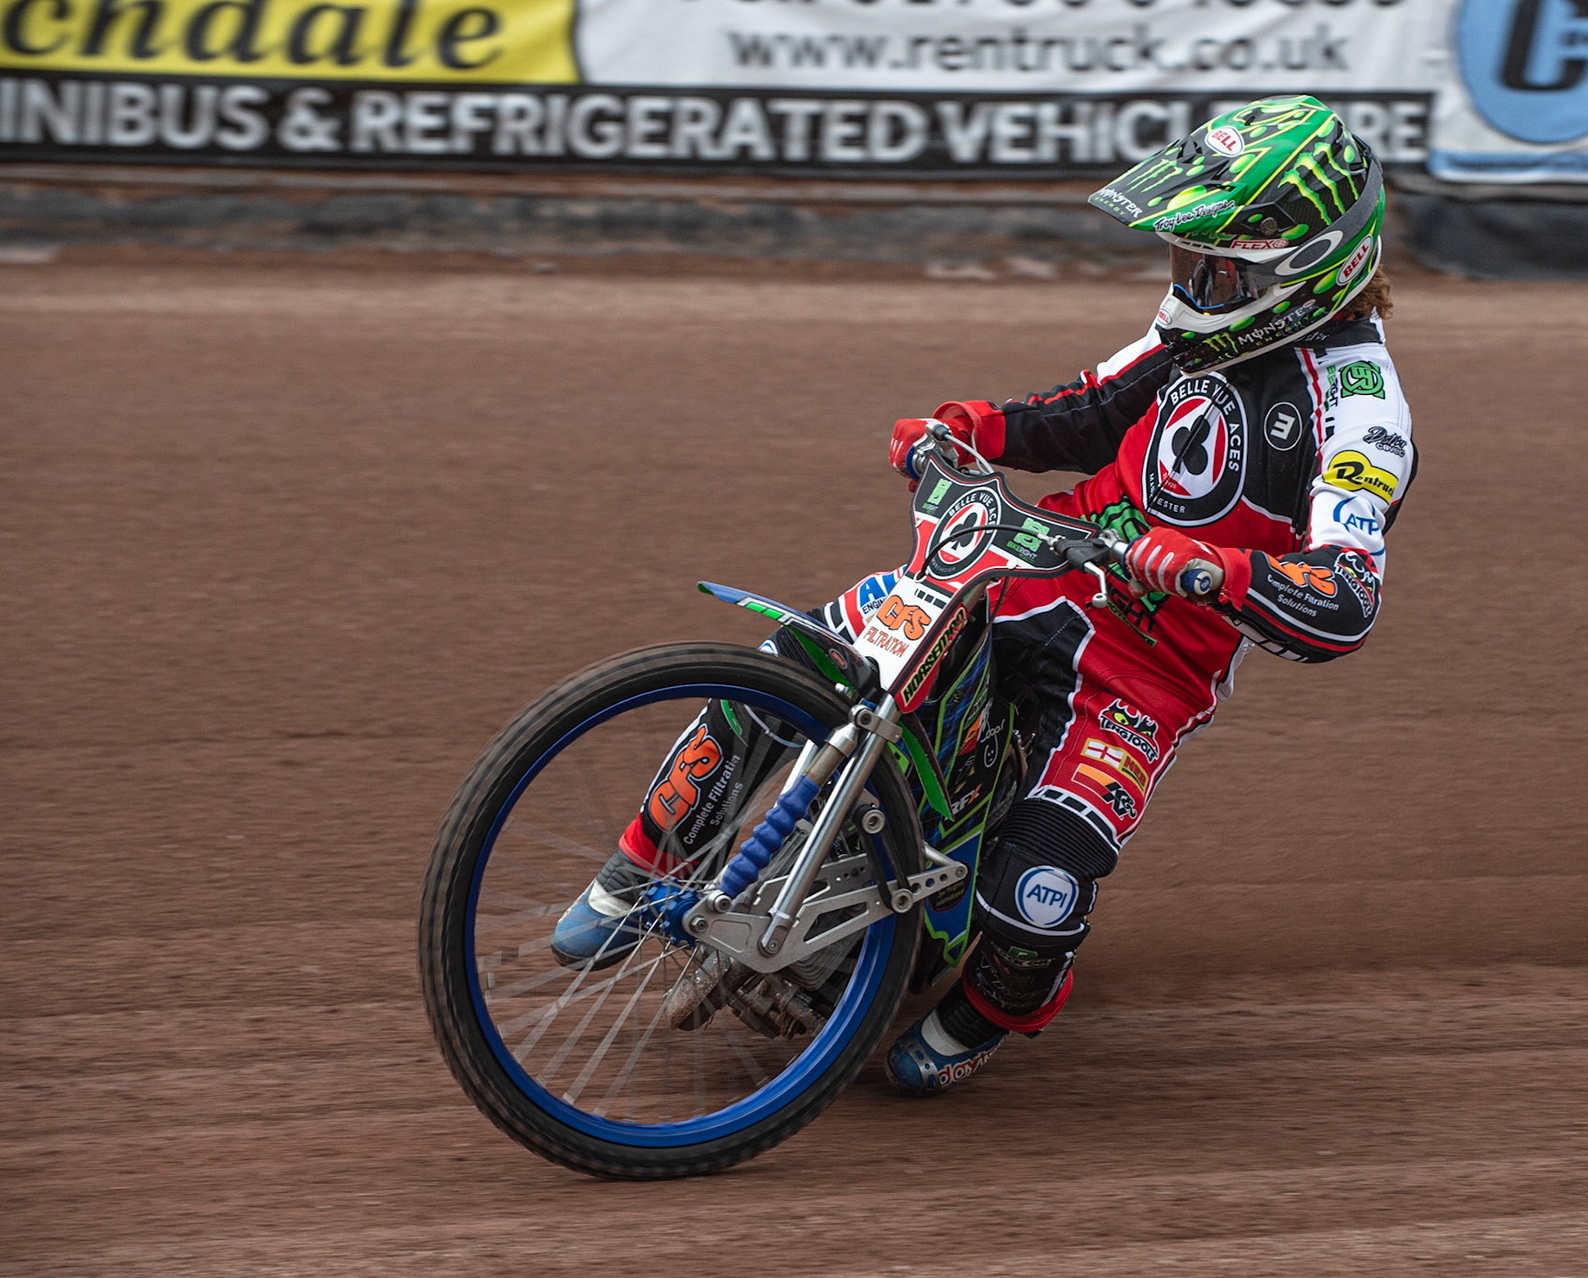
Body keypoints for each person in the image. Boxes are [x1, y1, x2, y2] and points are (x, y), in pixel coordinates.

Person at [552, 95, 1416, 1097]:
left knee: (1038, 895)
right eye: (1187, 257)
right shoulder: (1201, 328)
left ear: (1302, 271)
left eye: (1213, 265)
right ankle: (637, 865)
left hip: (1139, 675)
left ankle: (990, 1009)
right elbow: (1091, 410)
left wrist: (1209, 568)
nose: (1188, 282)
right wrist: (969, 429)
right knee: (799, 665)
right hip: (1024, 568)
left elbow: (1345, 597)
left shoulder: (1361, 409)